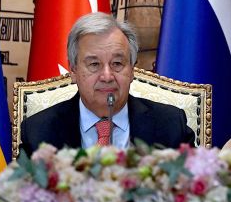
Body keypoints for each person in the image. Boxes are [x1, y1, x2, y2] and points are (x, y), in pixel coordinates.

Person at [20, 13, 195, 155]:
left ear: (132, 69)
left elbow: (192, 191)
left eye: (117, 64)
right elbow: (22, 195)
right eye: (94, 64)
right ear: (73, 71)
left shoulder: (170, 125)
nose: (107, 76)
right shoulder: (39, 131)